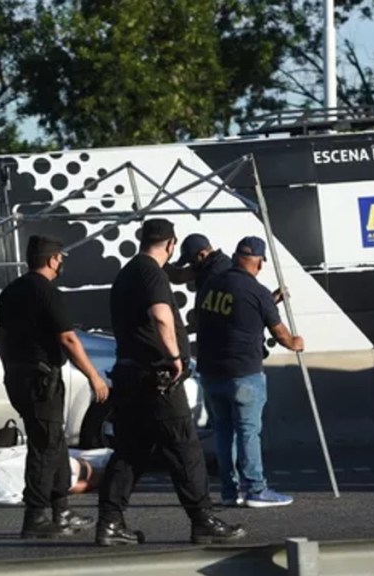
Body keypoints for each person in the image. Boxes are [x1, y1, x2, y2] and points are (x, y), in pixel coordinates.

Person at [96, 218, 246, 547]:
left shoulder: (127, 273)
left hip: (130, 376)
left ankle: (109, 522)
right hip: (157, 376)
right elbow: (161, 315)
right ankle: (202, 520)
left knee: (130, 450)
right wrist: (175, 357)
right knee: (185, 448)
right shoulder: (151, 272)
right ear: (171, 244)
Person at [0, 235, 110, 539]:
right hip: (42, 378)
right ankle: (36, 517)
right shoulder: (47, 293)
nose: (61, 263)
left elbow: (1, 337)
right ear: (51, 259)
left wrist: (12, 368)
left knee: (54, 441)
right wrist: (94, 377)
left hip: (19, 376)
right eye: (60, 258)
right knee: (45, 447)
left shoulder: (10, 292)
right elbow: (68, 339)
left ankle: (61, 510)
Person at [197, 236, 305, 508]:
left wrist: (270, 300)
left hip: (211, 372)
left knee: (223, 431)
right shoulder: (255, 291)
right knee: (248, 431)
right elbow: (279, 333)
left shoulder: (211, 285)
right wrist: (295, 342)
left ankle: (230, 491)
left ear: (235, 257)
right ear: (258, 261)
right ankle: (256, 489)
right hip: (243, 372)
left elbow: (236, 313)